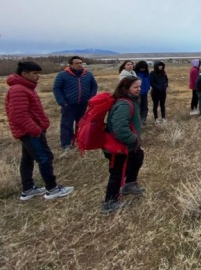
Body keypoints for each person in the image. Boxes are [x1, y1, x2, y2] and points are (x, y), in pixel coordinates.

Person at [6, 62, 74, 201]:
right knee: (44, 158)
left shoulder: (25, 87)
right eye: (34, 73)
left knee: (28, 159)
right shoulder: (19, 89)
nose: (38, 76)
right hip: (30, 132)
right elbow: (18, 115)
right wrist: (36, 130)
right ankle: (53, 189)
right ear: (24, 74)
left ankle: (28, 189)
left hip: (30, 131)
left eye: (38, 73)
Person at [102, 76, 144, 213]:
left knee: (137, 157)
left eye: (139, 86)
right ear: (126, 89)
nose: (139, 89)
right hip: (119, 147)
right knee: (117, 173)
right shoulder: (124, 104)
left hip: (129, 146)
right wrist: (134, 139)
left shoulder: (130, 101)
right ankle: (110, 202)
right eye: (135, 87)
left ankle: (129, 185)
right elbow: (120, 128)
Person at [53, 55, 98, 153]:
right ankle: (66, 145)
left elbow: (94, 86)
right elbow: (56, 88)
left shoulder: (88, 74)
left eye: (81, 63)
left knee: (82, 124)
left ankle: (80, 141)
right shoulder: (62, 75)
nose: (79, 65)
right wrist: (62, 102)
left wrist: (91, 98)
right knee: (66, 125)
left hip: (83, 104)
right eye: (77, 63)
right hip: (68, 105)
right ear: (70, 65)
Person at [134, 61, 151, 125]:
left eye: (144, 67)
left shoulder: (146, 74)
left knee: (144, 107)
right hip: (137, 93)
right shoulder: (135, 74)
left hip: (145, 93)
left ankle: (143, 120)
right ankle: (137, 121)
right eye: (142, 67)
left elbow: (149, 81)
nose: (143, 69)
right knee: (137, 107)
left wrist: (148, 88)